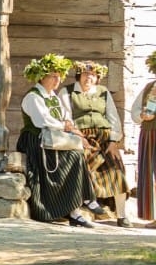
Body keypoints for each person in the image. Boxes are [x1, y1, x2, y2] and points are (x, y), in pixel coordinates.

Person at [16, 53, 109, 228]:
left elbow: (65, 116)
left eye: (59, 76)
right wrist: (65, 127)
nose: (57, 80)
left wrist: (69, 125)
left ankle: (79, 207)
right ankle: (80, 205)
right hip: (36, 140)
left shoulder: (53, 96)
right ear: (41, 76)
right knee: (73, 157)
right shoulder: (33, 96)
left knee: (77, 155)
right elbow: (42, 121)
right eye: (53, 76)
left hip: (54, 138)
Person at [61, 61, 130, 227]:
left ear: (97, 77)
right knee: (81, 171)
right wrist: (77, 137)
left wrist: (114, 141)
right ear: (79, 75)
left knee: (116, 172)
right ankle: (75, 212)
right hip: (81, 139)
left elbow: (113, 117)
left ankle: (122, 215)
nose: (88, 78)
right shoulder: (67, 91)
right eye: (85, 74)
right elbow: (65, 118)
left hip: (105, 140)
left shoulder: (103, 92)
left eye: (92, 75)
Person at [131, 51, 156, 226]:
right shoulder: (150, 87)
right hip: (149, 134)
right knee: (150, 175)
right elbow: (134, 111)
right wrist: (142, 116)